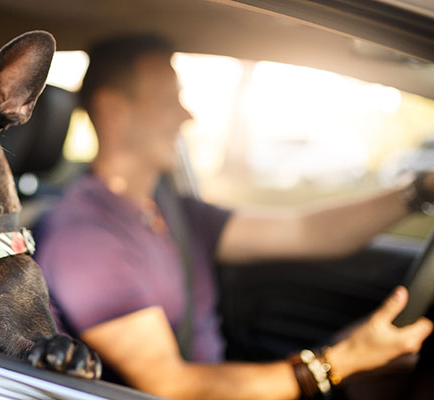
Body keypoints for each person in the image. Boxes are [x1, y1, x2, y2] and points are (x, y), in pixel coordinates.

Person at [35, 34, 434, 400]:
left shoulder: (172, 210)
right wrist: (335, 364)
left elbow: (304, 231)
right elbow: (172, 386)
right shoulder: (86, 238)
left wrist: (417, 192)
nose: (186, 115)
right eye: (168, 99)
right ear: (113, 110)